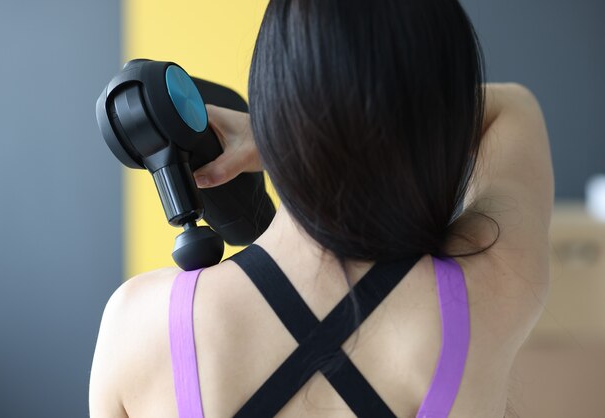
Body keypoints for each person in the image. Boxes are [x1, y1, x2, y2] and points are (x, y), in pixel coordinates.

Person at [89, 0, 554, 417]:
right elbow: (515, 107)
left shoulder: (138, 331)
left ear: (274, 93)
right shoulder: (489, 291)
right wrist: (297, 135)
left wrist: (284, 134)